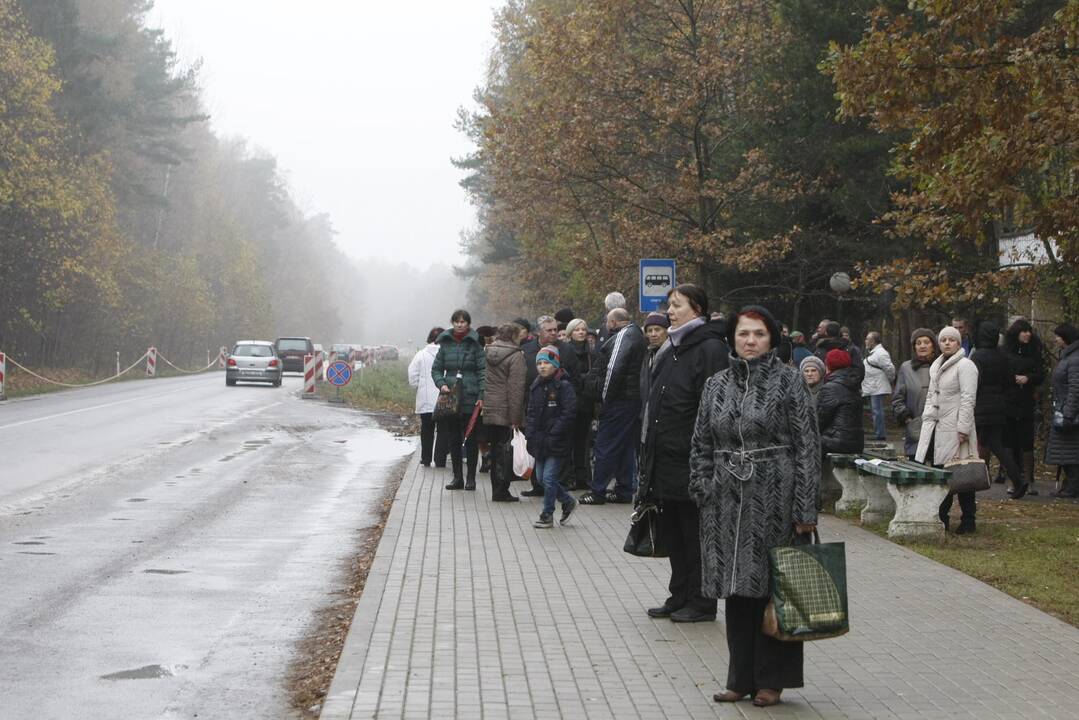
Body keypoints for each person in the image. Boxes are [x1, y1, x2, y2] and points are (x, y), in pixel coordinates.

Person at [689, 305, 820, 709]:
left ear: (772, 339)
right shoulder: (716, 385)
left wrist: (804, 509)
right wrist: (703, 486)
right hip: (725, 502)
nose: (750, 341)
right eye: (744, 334)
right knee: (736, 592)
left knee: (774, 590)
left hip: (776, 498)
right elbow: (701, 443)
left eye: (759, 334)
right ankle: (738, 678)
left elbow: (807, 448)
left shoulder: (789, 382)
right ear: (732, 338)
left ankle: (771, 681)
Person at [638, 284, 729, 624]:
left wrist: (707, 458)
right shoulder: (673, 347)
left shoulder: (709, 349)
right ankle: (679, 595)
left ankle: (702, 602)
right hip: (666, 459)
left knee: (695, 534)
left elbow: (715, 409)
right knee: (674, 533)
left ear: (698, 309)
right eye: (669, 305)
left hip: (693, 460)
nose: (670, 312)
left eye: (677, 306)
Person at [915, 326, 980, 533]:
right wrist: (926, 420)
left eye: (952, 340)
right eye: (943, 340)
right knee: (940, 474)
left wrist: (963, 429)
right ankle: (941, 518)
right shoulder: (937, 365)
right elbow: (931, 397)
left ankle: (968, 520)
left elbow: (969, 399)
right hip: (936, 429)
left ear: (959, 343)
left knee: (963, 474)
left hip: (956, 429)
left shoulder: (966, 365)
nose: (947, 343)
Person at [580, 308, 645, 504]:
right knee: (624, 447)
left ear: (614, 322)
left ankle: (597, 491)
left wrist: (604, 397)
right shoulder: (634, 335)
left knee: (605, 445)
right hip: (629, 401)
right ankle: (624, 489)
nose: (606, 325)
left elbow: (613, 369)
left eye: (608, 321)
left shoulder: (624, 337)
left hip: (618, 401)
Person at [970, 321, 1028, 499]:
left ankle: (977, 481)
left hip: (981, 405)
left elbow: (973, 382)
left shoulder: (977, 357)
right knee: (995, 444)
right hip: (999, 405)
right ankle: (1017, 479)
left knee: (983, 444)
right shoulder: (1002, 356)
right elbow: (1009, 381)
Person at [431, 309, 486, 491]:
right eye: (456, 321)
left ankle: (471, 477)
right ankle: (457, 477)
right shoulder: (445, 344)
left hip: (470, 396)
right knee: (453, 438)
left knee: (470, 438)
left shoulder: (475, 344)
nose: (460, 324)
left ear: (468, 324)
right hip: (451, 397)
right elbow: (436, 369)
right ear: (452, 323)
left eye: (463, 321)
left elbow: (483, 371)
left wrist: (481, 395)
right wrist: (441, 384)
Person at [525, 346, 579, 528]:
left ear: (555, 364)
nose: (542, 366)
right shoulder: (536, 386)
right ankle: (567, 500)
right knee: (541, 479)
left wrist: (555, 431)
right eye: (539, 363)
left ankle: (547, 513)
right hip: (540, 440)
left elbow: (569, 412)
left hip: (556, 440)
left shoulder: (563, 386)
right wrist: (530, 434)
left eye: (546, 362)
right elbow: (531, 412)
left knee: (548, 478)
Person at [482, 323, 527, 502]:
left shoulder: (488, 352)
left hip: (491, 406)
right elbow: (516, 389)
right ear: (514, 336)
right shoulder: (516, 356)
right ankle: (501, 490)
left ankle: (496, 488)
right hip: (506, 409)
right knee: (504, 451)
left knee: (495, 449)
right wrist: (516, 418)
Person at [1002, 319, 1046, 495]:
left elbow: (1041, 374)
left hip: (1026, 401)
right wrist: (1012, 379)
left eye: (1029, 331)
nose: (1027, 334)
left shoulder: (1034, 351)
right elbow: (1001, 373)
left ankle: (1029, 478)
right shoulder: (1005, 352)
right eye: (1024, 331)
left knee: (1026, 442)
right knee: (1009, 442)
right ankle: (1012, 478)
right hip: (1009, 401)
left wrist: (1029, 378)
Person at [892, 329, 938, 458]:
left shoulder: (942, 366)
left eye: (926, 342)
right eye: (918, 343)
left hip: (939, 428)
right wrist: (907, 419)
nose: (922, 346)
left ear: (933, 345)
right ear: (914, 347)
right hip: (915, 428)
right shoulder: (906, 368)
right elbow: (897, 398)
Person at [1046, 324, 1079, 498]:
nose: (1056, 339)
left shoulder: (1074, 359)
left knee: (1070, 451)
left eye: (1058, 336)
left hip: (1069, 413)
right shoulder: (1068, 356)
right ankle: (1070, 485)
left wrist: (1068, 413)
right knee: (1067, 451)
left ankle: (1073, 486)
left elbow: (1075, 388)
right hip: (1064, 409)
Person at [565, 318, 596, 490]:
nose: (581, 332)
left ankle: (582, 476)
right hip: (570, 400)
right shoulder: (566, 350)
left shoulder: (592, 352)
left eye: (583, 329)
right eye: (577, 330)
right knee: (568, 441)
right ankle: (569, 476)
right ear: (571, 332)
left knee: (583, 441)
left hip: (586, 401)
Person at [407, 327, 445, 467]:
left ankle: (426, 458)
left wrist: (419, 386)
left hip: (425, 399)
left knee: (427, 430)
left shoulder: (421, 355)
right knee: (443, 430)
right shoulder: (447, 354)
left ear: (429, 338)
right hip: (444, 399)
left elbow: (412, 376)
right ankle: (440, 459)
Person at [818, 349, 864, 455]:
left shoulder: (830, 387)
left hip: (836, 442)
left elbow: (820, 420)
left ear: (828, 366)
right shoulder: (853, 384)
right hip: (856, 443)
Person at [862, 331, 896, 441]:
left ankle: (880, 435)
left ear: (873, 341)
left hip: (877, 387)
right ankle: (878, 433)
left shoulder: (881, 353)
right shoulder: (874, 353)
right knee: (875, 411)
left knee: (877, 411)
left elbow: (889, 368)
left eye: (868, 339)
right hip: (873, 386)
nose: (866, 341)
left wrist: (890, 379)